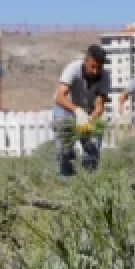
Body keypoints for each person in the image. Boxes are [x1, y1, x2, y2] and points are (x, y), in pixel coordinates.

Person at [52, 45, 111, 177]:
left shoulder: (105, 77)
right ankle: (66, 179)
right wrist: (77, 110)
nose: (96, 71)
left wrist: (92, 118)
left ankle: (88, 181)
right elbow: (59, 97)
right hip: (66, 109)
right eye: (93, 66)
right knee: (64, 148)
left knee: (93, 146)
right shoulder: (73, 69)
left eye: (99, 67)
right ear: (86, 61)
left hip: (89, 112)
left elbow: (100, 105)